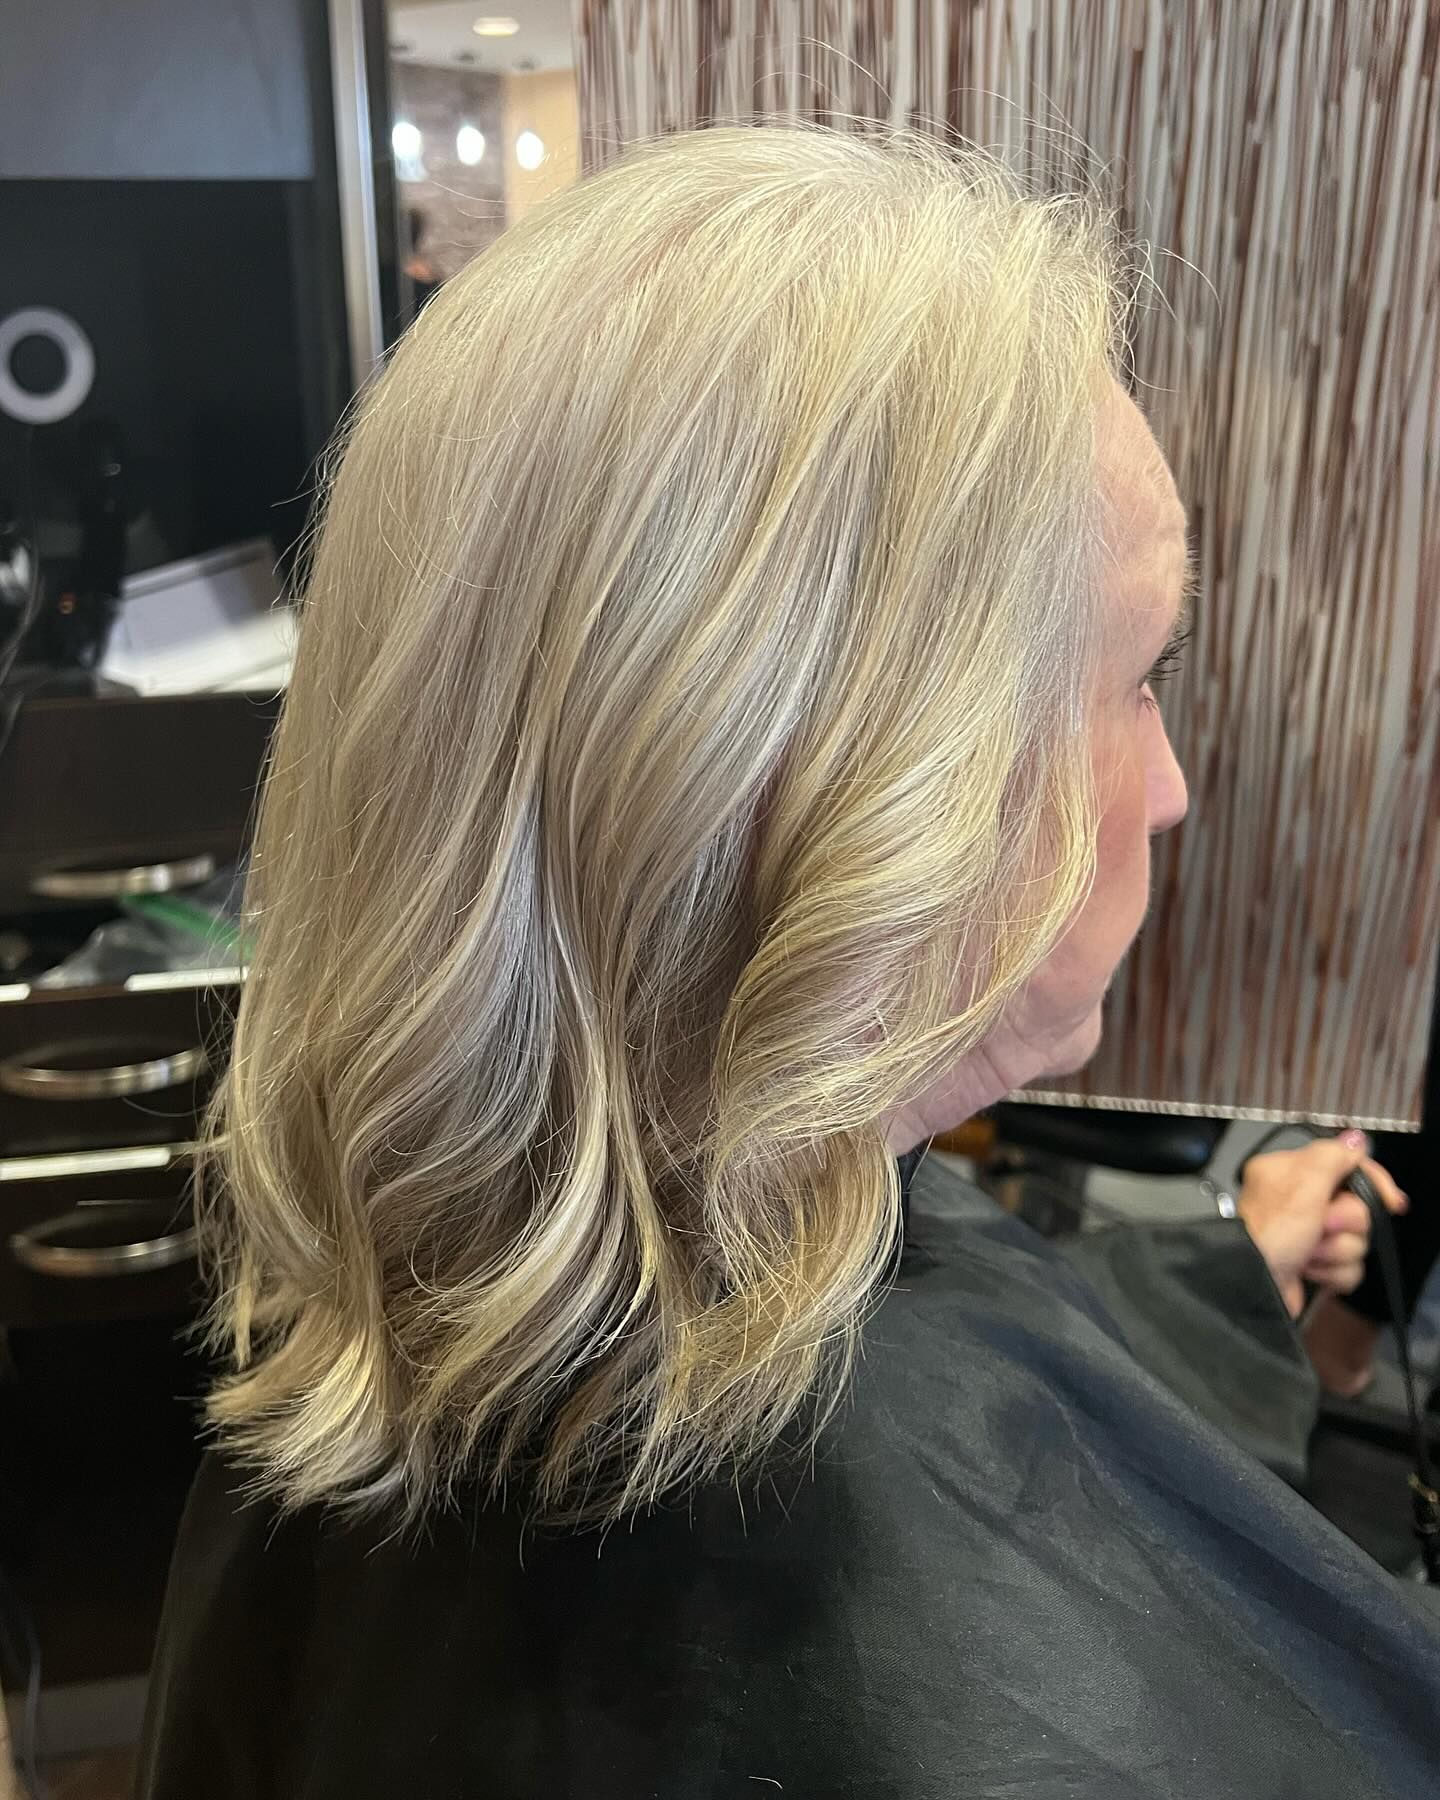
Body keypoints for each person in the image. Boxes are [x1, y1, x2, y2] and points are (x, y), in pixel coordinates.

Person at [136, 128, 1439, 1799]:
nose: (1172, 785)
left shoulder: (414, 1299)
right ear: (879, 803)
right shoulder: (907, 1669)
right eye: (1140, 681)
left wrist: (1227, 1273)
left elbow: (940, 1394)